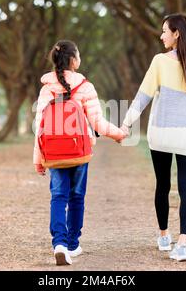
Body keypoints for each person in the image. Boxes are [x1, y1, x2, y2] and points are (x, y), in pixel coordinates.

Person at [121, 13, 186, 261]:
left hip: (162, 134)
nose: (161, 35)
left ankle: (164, 236)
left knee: (163, 185)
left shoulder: (160, 61)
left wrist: (126, 124)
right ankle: (183, 243)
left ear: (177, 34)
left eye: (164, 31)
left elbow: (143, 97)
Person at [33, 40, 126, 265]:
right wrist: (119, 134)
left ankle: (60, 244)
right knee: (76, 197)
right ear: (74, 60)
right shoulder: (85, 86)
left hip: (54, 154)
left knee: (58, 196)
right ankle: (73, 244)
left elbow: (40, 128)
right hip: (79, 152)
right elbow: (98, 122)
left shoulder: (46, 88)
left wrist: (39, 159)